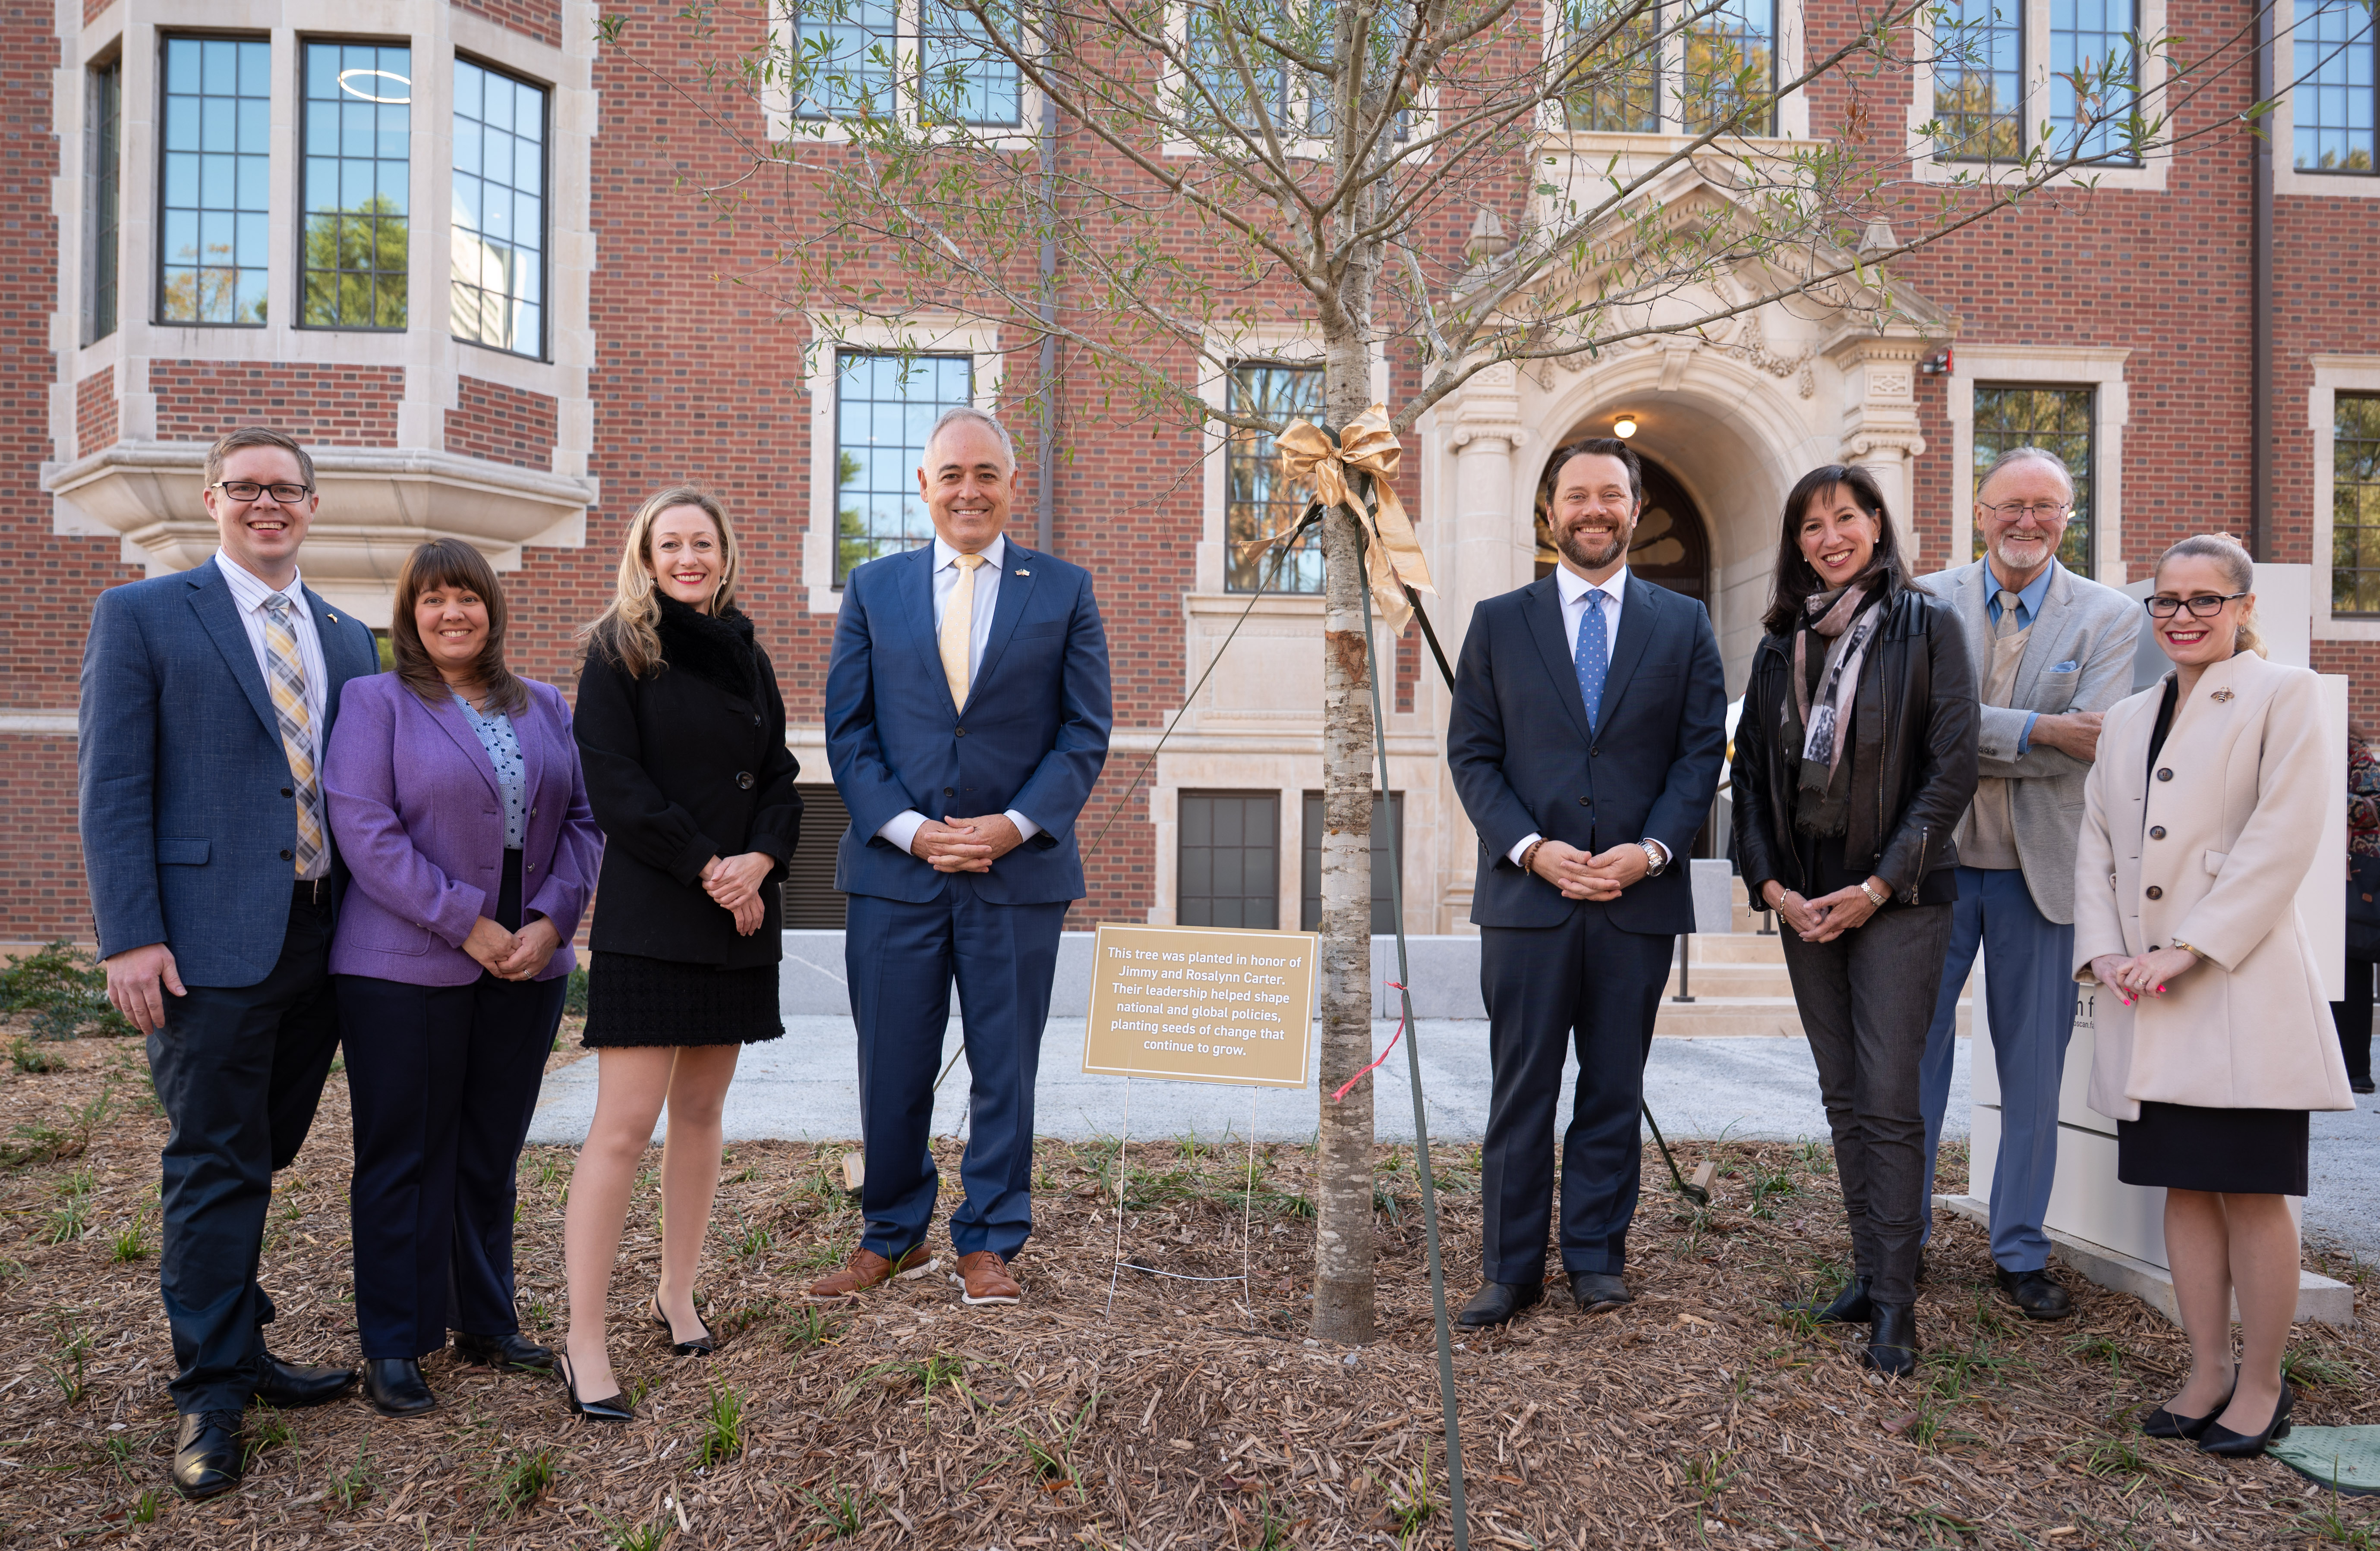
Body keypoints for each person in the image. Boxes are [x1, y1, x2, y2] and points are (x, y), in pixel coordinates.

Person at [78, 427, 381, 1498]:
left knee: (263, 1145)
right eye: (247, 487)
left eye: (286, 489)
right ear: (212, 498)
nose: (268, 503)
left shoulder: (349, 636)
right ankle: (210, 1386)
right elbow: (113, 784)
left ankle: (240, 1340)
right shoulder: (147, 614)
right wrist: (129, 934)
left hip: (324, 935)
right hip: (202, 939)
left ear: (312, 502)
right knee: (214, 1155)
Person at [816, 406, 1112, 1309]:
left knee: (1005, 1066)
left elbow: (1082, 732)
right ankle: (892, 1234)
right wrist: (911, 829)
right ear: (924, 487)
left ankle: (989, 1238)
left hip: (1014, 876)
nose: (969, 490)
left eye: (986, 473)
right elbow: (850, 730)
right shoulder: (875, 588)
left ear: (1010, 485)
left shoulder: (1062, 590)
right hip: (895, 875)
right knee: (893, 1064)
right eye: (951, 475)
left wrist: (1012, 825)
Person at [2077, 534, 2358, 1457]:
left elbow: (2283, 838)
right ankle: (2204, 1368)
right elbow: (2098, 849)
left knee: (2251, 1191)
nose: (2183, 617)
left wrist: (2191, 948)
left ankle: (2264, 1381)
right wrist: (2106, 952)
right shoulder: (2125, 717)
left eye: (2204, 600)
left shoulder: (2284, 697)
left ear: (2241, 608)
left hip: (2237, 990)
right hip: (2144, 992)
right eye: (2167, 601)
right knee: (2187, 1188)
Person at [1445, 436, 1727, 1326]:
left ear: (1635, 510)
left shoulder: (1682, 625)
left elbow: (1697, 754)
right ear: (1551, 511)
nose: (1593, 510)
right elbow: (1473, 754)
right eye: (1577, 495)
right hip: (1530, 900)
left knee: (1613, 1085)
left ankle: (1597, 1258)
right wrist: (1529, 847)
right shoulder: (1498, 620)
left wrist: (1651, 851)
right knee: (1520, 1087)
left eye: (1611, 494)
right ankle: (1510, 1267)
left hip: (1636, 900)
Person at [322, 540, 602, 1417]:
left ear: (493, 610)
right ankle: (396, 1342)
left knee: (489, 1150)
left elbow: (587, 825)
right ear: (410, 614)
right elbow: (364, 828)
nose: (453, 614)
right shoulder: (376, 702)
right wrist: (468, 924)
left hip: (528, 958)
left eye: (468, 599)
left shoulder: (547, 705)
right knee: (406, 1154)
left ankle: (486, 1319)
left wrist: (551, 920)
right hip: (405, 961)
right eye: (433, 600)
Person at [559, 487, 803, 1420]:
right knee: (623, 1126)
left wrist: (761, 859)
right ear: (647, 557)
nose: (690, 557)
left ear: (725, 551)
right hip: (657, 914)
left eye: (705, 541)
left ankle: (675, 1293)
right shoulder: (619, 649)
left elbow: (780, 775)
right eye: (673, 545)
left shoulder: (746, 649)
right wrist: (710, 865)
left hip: (738, 917)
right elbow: (613, 785)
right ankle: (584, 1340)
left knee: (701, 1113)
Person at [1729, 464, 1978, 1376]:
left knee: (1888, 1095)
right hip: (1805, 897)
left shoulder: (1928, 629)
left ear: (1876, 524)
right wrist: (1770, 888)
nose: (1828, 537)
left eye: (1844, 518)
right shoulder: (1776, 644)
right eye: (1810, 526)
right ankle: (1871, 1274)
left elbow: (1950, 771)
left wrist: (1877, 885)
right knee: (1843, 1097)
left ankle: (1900, 1307)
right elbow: (1751, 780)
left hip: (1899, 897)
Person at [1913, 446, 2141, 1320]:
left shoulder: (2110, 618)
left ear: (2065, 517)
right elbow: (1921, 732)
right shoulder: (1927, 600)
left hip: (2041, 878)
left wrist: (1979, 737)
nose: (2027, 521)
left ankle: (2019, 1250)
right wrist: (2045, 728)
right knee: (1913, 1067)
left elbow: (2098, 745)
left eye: (2045, 506)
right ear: (1979, 512)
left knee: (2032, 1074)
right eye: (2011, 505)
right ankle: (1904, 1238)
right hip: (1930, 872)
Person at [2330, 720, 2379, 1095]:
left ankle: (2355, 1071)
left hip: (2348, 876)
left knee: (2351, 967)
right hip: (2305, 871)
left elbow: (2375, 806)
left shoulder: (2352, 751)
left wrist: (2324, 795)